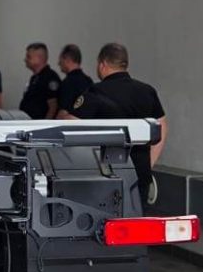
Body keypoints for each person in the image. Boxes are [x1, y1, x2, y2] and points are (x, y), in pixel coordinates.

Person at [66, 42, 168, 205]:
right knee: (137, 216)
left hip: (105, 175)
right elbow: (161, 127)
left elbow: (70, 126)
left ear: (103, 64)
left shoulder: (95, 92)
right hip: (139, 174)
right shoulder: (147, 91)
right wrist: (148, 164)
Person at [18, 42, 61, 120]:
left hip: (40, 123)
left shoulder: (50, 78)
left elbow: (53, 107)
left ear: (39, 58)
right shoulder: (34, 78)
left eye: (29, 57)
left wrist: (46, 124)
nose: (25, 60)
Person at [56, 44, 93, 116]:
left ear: (67, 60)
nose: (59, 64)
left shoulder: (68, 83)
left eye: (61, 60)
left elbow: (63, 112)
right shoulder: (88, 81)